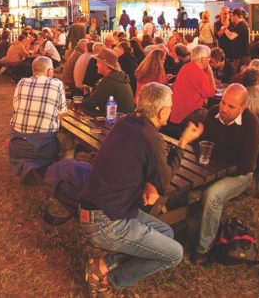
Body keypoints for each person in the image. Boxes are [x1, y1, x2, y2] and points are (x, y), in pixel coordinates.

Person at [79, 83, 203, 293]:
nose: (171, 111)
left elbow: (135, 162)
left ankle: (104, 263)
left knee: (166, 232)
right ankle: (108, 281)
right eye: (170, 107)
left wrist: (146, 185)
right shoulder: (150, 136)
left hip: (97, 209)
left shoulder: (126, 121)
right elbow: (164, 183)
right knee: (174, 253)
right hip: (106, 221)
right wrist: (182, 143)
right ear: (162, 111)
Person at [192, 84, 259, 264]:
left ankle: (203, 249)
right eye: (223, 102)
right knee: (184, 181)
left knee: (212, 195)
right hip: (210, 168)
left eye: (231, 106)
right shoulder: (213, 113)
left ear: (242, 108)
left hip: (238, 175)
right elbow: (200, 143)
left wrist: (218, 172)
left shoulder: (251, 123)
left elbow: (247, 164)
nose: (224, 108)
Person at [8, 56, 67, 184]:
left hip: (18, 144)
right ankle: (52, 171)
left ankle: (28, 165)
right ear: (50, 71)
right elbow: (61, 114)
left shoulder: (21, 82)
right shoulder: (57, 84)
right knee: (66, 140)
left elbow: (16, 107)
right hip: (45, 148)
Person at [166, 45, 216, 138]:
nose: (209, 60)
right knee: (212, 115)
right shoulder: (199, 72)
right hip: (187, 115)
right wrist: (210, 72)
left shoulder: (185, 67)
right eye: (208, 57)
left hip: (176, 114)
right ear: (202, 59)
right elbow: (211, 92)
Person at [82, 48, 135, 114]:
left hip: (118, 121)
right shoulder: (118, 77)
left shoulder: (108, 81)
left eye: (98, 62)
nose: (96, 64)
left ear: (105, 64)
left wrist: (79, 102)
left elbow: (90, 104)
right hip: (125, 119)